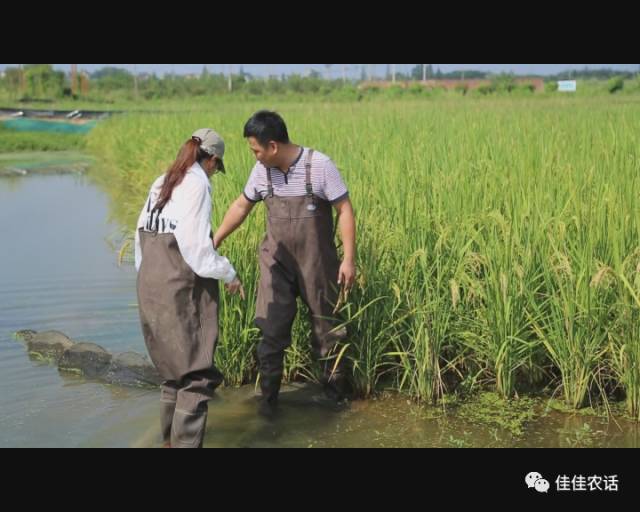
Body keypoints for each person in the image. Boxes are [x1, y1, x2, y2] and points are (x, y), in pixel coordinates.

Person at [214, 111, 356, 417]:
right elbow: (242, 205)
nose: (255, 156)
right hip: (276, 265)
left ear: (273, 146)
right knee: (271, 330)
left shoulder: (319, 166)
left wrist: (348, 259)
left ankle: (335, 401)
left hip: (317, 264)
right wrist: (216, 240)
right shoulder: (261, 172)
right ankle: (268, 405)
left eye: (256, 150)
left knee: (327, 330)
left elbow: (344, 209)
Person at [135, 128, 244, 448]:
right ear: (211, 160)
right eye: (215, 166)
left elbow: (139, 238)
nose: (214, 172)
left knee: (172, 373)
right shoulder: (197, 185)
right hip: (179, 287)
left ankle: (168, 444)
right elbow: (198, 251)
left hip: (149, 284)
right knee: (196, 376)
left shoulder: (162, 180)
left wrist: (148, 282)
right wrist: (229, 273)